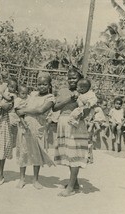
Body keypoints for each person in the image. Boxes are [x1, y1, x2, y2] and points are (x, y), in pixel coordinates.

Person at [53, 67, 91, 197]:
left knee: (74, 154)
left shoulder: (85, 93)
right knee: (68, 155)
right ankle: (74, 183)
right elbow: (55, 107)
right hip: (63, 123)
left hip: (75, 126)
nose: (71, 80)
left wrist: (82, 105)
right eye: (69, 78)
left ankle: (70, 187)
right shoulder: (64, 91)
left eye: (74, 78)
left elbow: (87, 111)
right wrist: (69, 99)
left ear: (80, 79)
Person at [15, 73, 55, 189]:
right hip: (25, 126)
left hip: (38, 128)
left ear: (49, 85)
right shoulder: (32, 94)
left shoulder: (50, 98)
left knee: (37, 152)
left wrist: (24, 111)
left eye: (44, 84)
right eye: (39, 84)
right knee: (24, 151)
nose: (42, 87)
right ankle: (22, 178)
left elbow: (40, 110)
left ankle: (35, 180)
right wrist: (20, 113)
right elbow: (19, 106)